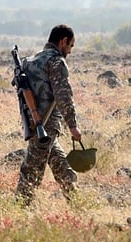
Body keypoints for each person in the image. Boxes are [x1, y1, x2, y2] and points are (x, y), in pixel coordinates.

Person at [15, 24, 82, 206]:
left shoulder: (30, 61)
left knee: (61, 165)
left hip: (34, 123)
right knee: (31, 171)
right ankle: (18, 210)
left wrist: (32, 119)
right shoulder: (55, 61)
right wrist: (73, 125)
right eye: (70, 46)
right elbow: (63, 95)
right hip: (46, 125)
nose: (70, 51)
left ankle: (78, 204)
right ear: (63, 41)